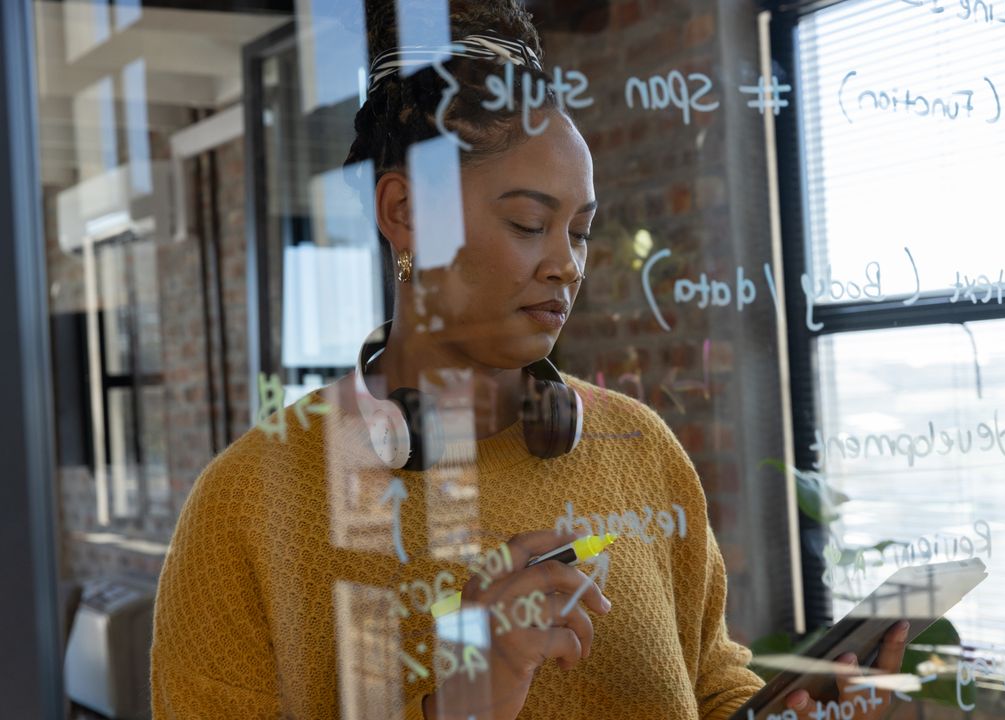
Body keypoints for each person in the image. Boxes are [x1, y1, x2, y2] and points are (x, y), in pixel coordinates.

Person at [150, 1, 907, 718]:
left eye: (577, 231)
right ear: (405, 212)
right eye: (527, 223)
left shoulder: (641, 450)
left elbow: (708, 675)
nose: (566, 266)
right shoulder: (244, 508)